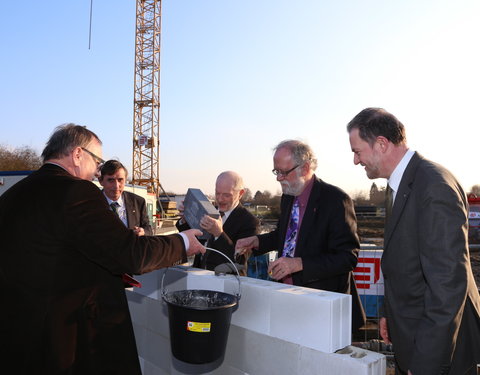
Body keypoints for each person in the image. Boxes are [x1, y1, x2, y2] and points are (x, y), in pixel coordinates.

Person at [0, 124, 205, 375]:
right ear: (77, 154)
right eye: (97, 162)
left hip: (19, 337)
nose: (97, 172)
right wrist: (182, 242)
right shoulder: (75, 190)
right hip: (69, 342)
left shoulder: (12, 195)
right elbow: (131, 255)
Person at [347, 107, 480, 375]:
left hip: (438, 350)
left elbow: (448, 285)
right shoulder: (401, 184)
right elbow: (402, 259)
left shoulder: (433, 185)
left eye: (357, 151)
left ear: (381, 144)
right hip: (412, 331)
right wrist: (389, 312)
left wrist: (426, 364)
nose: (355, 160)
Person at [235, 140, 366, 331]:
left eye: (283, 172)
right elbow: (285, 235)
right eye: (276, 172)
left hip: (321, 304)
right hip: (287, 296)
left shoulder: (335, 200)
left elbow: (347, 258)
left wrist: (299, 264)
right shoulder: (288, 196)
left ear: (305, 167)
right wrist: (257, 241)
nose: (279, 178)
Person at [177, 171, 259, 274]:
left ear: (240, 194)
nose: (220, 199)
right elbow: (194, 238)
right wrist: (185, 219)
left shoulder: (250, 222)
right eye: (217, 193)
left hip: (227, 284)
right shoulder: (209, 211)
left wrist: (219, 234)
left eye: (226, 195)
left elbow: (238, 261)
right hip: (198, 277)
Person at [99, 159, 153, 236]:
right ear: (101, 181)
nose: (116, 186)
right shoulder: (90, 204)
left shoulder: (138, 202)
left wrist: (143, 232)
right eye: (111, 180)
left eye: (120, 180)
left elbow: (149, 230)